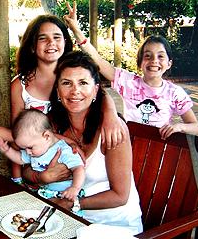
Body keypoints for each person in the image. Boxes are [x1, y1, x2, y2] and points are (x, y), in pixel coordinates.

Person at [24, 50, 143, 235]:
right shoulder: (51, 125)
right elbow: (26, 168)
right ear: (57, 90)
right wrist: (42, 177)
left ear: (96, 89)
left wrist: (70, 203)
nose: (75, 91)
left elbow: (120, 196)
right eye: (66, 83)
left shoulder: (112, 129)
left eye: (83, 83)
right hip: (70, 221)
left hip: (114, 226)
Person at [10, 13, 127, 182]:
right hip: (35, 162)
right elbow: (16, 134)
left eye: (57, 37)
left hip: (71, 160)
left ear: (66, 42)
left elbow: (98, 92)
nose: (51, 43)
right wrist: (20, 179)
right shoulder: (20, 84)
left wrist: (111, 115)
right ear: (32, 46)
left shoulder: (71, 75)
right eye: (43, 38)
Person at [63, 1, 198, 139]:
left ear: (169, 63)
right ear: (140, 63)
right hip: (128, 146)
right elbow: (97, 61)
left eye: (160, 56)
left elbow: (196, 127)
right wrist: (76, 30)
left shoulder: (175, 93)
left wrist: (179, 127)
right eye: (147, 56)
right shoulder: (128, 82)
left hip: (157, 152)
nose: (154, 61)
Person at [0, 109, 85, 202]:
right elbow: (19, 159)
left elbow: (79, 169)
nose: (28, 152)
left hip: (66, 194)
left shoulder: (63, 150)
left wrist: (75, 188)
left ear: (47, 136)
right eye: (24, 148)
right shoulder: (36, 150)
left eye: (30, 147)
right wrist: (6, 150)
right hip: (46, 193)